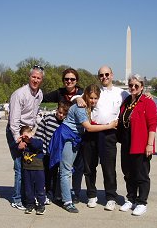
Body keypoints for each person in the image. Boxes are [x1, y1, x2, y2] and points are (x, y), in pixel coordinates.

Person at [48, 84, 118, 213]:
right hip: (68, 137)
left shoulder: (85, 105)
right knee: (66, 170)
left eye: (96, 98)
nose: (93, 101)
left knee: (68, 169)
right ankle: (67, 201)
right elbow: (89, 127)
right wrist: (109, 126)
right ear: (85, 95)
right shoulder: (81, 108)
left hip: (73, 137)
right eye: (91, 98)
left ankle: (60, 195)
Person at [73, 65, 129, 211]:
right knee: (89, 166)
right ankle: (92, 195)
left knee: (108, 167)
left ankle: (110, 197)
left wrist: (146, 95)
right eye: (101, 75)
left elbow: (135, 98)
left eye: (106, 74)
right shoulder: (96, 91)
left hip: (109, 134)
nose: (104, 77)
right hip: (91, 132)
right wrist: (78, 98)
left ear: (112, 75)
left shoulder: (122, 93)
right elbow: (77, 94)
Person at [118, 74, 157, 216]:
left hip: (141, 143)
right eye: (131, 85)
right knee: (128, 173)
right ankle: (131, 198)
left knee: (141, 174)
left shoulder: (148, 101)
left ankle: (142, 202)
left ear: (142, 87)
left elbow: (152, 125)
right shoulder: (127, 101)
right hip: (126, 142)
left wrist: (149, 145)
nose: (133, 88)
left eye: (136, 85)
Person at [6, 65, 44, 210]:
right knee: (19, 166)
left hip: (28, 132)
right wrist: (18, 140)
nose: (35, 80)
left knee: (28, 165)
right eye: (33, 77)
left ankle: (27, 195)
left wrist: (31, 134)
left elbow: (34, 115)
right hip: (15, 131)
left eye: (38, 78)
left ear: (41, 80)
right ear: (29, 77)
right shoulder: (19, 94)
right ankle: (16, 199)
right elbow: (13, 121)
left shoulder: (39, 94)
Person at [43, 68, 84, 203]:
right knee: (57, 164)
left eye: (72, 79)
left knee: (78, 166)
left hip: (77, 134)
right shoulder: (60, 92)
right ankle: (56, 193)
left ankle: (76, 193)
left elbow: (97, 99)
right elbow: (42, 97)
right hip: (62, 133)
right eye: (66, 79)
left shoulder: (82, 93)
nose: (69, 81)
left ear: (76, 81)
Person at [35, 100, 72, 202]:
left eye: (64, 114)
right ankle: (46, 193)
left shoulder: (67, 123)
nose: (61, 115)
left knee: (57, 175)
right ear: (57, 109)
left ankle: (56, 194)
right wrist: (38, 149)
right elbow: (39, 134)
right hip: (46, 152)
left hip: (59, 154)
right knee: (46, 173)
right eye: (59, 112)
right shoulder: (48, 119)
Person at [18, 126, 46, 215]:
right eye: (24, 137)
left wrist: (30, 139)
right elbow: (17, 152)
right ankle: (30, 204)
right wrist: (18, 144)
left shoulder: (37, 141)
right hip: (27, 169)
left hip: (38, 169)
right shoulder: (23, 144)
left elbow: (38, 146)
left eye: (27, 136)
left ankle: (41, 204)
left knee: (40, 188)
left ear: (32, 134)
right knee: (28, 188)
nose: (26, 138)